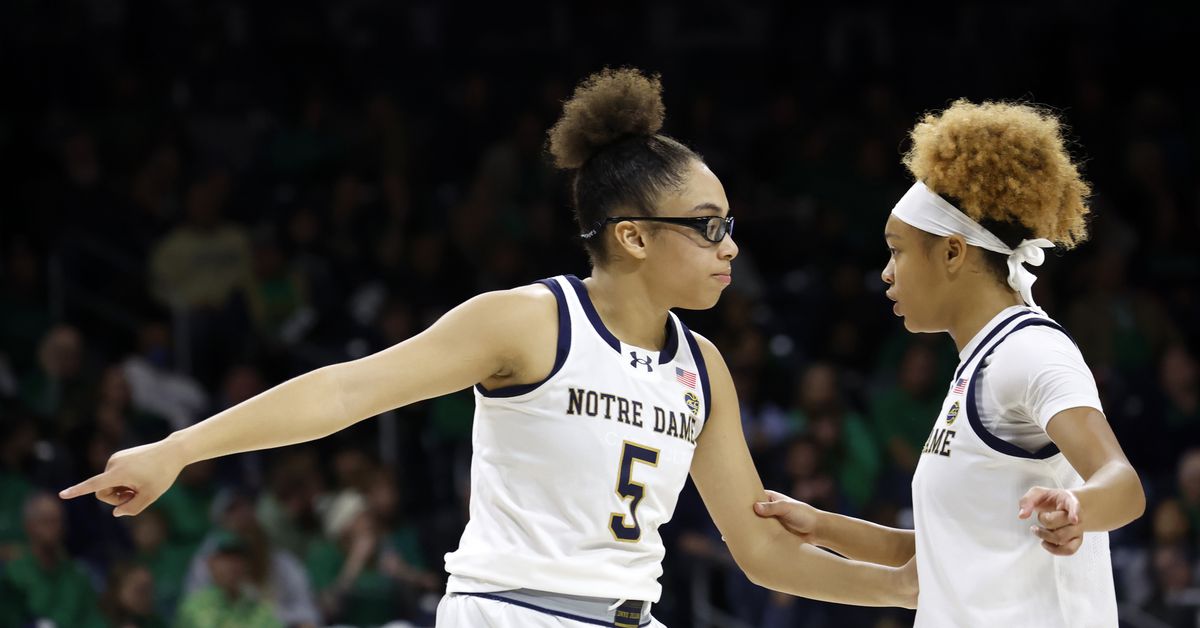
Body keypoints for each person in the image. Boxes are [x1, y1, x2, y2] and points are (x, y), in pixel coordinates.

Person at [60, 68, 915, 626]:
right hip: (513, 612)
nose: (731, 246)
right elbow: (345, 392)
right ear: (633, 237)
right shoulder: (527, 321)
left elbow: (761, 548)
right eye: (708, 226)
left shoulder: (706, 366)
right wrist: (178, 448)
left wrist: (910, 588)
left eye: (731, 225)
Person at [754, 100, 1146, 627]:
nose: (886, 274)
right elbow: (949, 554)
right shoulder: (978, 363)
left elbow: (1122, 484)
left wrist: (1080, 508)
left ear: (954, 253)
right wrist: (821, 527)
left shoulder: (1031, 350)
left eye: (897, 251)